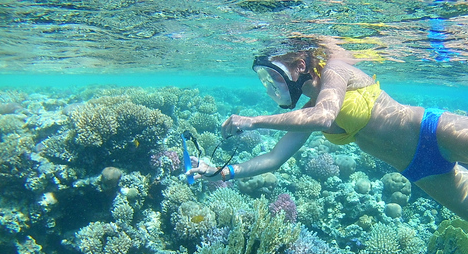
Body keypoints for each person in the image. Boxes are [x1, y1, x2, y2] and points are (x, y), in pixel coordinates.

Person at [186, 39, 468, 218]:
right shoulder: (307, 110)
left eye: (273, 76)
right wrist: (221, 173)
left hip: (434, 131)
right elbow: (274, 159)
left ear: (299, 65)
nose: (272, 86)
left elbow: (324, 117)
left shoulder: (335, 69)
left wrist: (252, 121)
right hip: (420, 171)